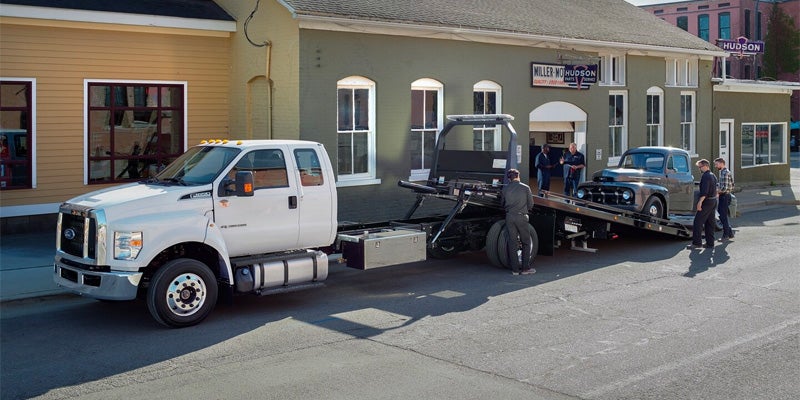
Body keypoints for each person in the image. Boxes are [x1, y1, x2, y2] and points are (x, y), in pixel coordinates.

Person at [502, 168, 535, 275]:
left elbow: (502, 203)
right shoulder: (525, 188)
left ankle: (515, 270)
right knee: (526, 242)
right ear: (518, 176)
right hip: (522, 217)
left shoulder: (505, 189)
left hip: (509, 217)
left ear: (509, 179)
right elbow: (531, 204)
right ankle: (525, 268)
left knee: (512, 243)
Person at [688, 159, 718, 250]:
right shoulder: (713, 175)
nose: (699, 169)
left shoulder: (705, 176)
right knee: (710, 222)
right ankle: (710, 243)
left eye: (700, 167)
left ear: (705, 166)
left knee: (698, 222)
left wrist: (700, 202)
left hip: (706, 201)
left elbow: (704, 192)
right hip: (713, 201)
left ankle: (697, 243)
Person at [714, 157, 735, 240]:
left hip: (725, 196)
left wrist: (717, 192)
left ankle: (726, 235)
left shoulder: (725, 172)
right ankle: (730, 233)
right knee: (722, 215)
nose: (716, 166)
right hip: (724, 195)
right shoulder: (724, 172)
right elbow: (732, 184)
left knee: (722, 216)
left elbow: (725, 188)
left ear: (721, 163)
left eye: (716, 164)